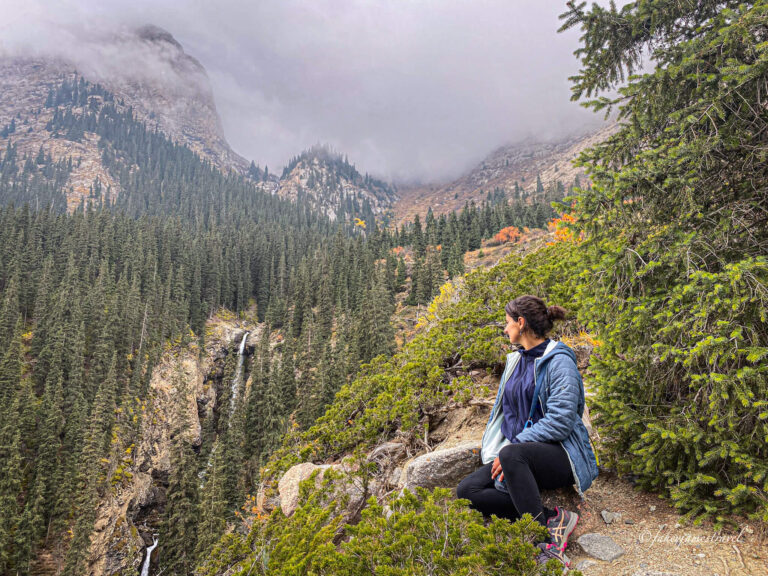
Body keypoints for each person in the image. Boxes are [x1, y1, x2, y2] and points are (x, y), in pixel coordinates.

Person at [456, 295, 599, 569]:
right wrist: (499, 449)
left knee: (511, 455)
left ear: (521, 323)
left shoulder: (559, 362)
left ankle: (544, 544)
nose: (505, 328)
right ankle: (553, 517)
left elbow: (562, 419)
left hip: (562, 454)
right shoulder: (516, 360)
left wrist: (513, 448)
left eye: (507, 322)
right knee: (467, 491)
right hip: (520, 453)